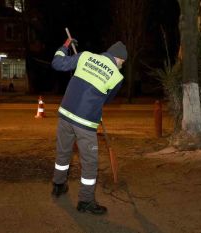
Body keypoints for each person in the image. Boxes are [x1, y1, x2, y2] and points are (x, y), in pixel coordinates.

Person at [50, 39, 127, 215]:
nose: (122, 65)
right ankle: (86, 201)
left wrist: (65, 45)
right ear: (118, 58)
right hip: (85, 122)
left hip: (65, 114)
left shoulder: (85, 56)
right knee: (90, 164)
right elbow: (106, 100)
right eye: (122, 62)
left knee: (63, 153)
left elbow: (57, 63)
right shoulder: (117, 77)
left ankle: (58, 185)